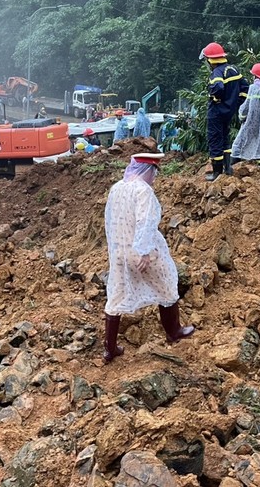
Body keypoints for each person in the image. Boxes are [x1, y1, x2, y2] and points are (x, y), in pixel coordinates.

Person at [102, 152, 195, 363]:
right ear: (148, 170)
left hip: (120, 252)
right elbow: (145, 221)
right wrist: (143, 251)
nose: (154, 177)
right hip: (142, 252)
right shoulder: (143, 191)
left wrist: (119, 249)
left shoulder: (117, 188)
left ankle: (109, 348)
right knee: (166, 284)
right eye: (154, 172)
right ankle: (174, 331)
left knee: (116, 294)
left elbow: (110, 221)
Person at [200, 41, 249, 181]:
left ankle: (216, 173)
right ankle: (227, 169)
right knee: (225, 139)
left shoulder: (217, 72)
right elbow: (245, 88)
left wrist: (215, 98)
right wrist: (235, 103)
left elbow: (218, 88)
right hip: (229, 112)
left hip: (216, 112)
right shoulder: (233, 70)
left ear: (211, 60)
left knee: (215, 139)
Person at [231, 62, 260, 164]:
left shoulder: (253, 88)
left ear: (255, 76)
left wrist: (241, 116)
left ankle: (233, 166)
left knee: (241, 142)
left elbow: (246, 107)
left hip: (251, 122)